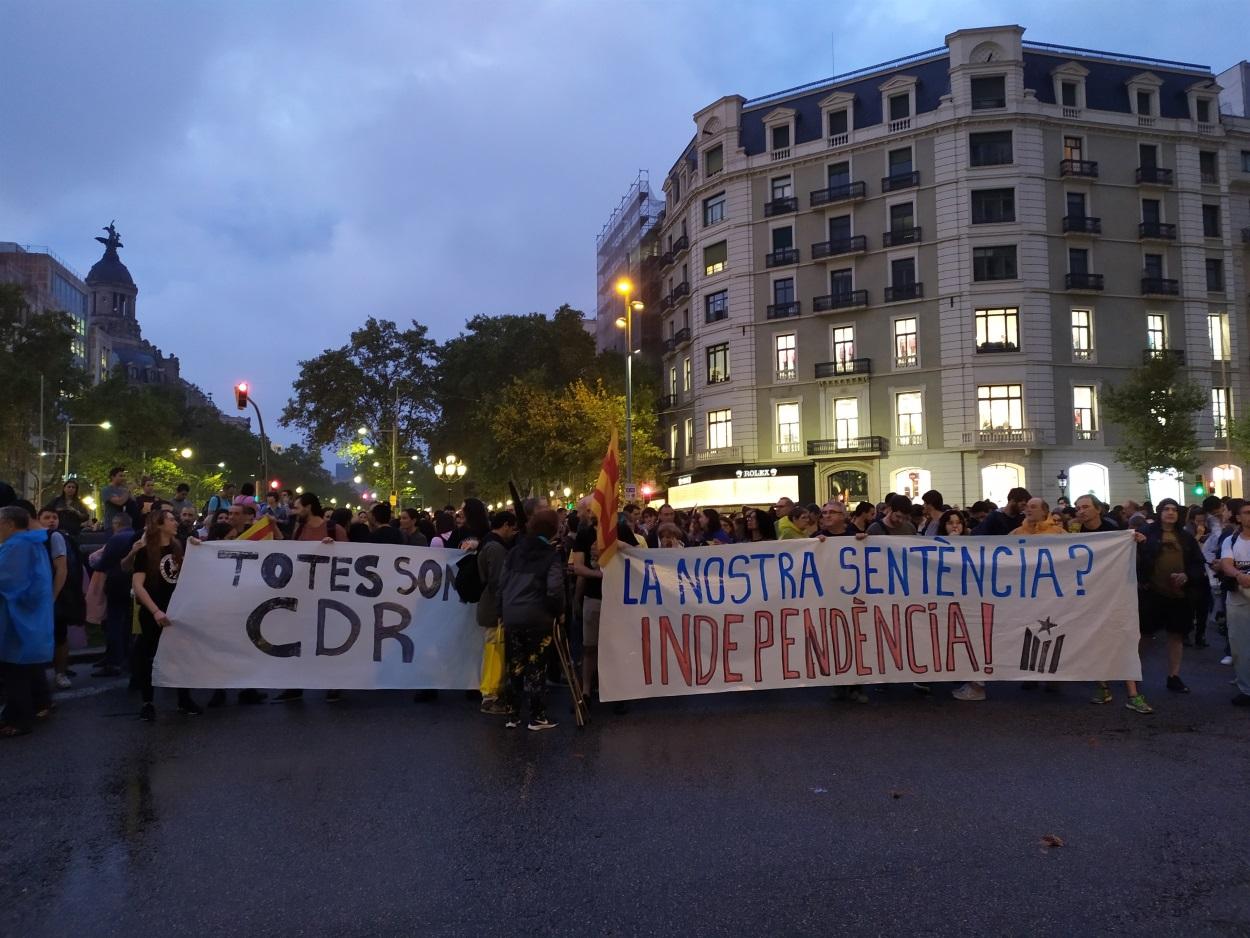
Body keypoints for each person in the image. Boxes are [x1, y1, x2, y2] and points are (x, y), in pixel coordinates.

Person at [497, 509, 564, 731]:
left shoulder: (515, 552)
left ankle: (512, 714)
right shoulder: (551, 555)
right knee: (536, 664)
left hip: (512, 614)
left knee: (514, 664)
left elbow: (503, 583)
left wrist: (501, 611)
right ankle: (537, 716)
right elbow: (554, 589)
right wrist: (558, 610)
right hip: (538, 615)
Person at [131, 508, 200, 720]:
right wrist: (155, 611)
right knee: (147, 656)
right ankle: (147, 702)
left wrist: (199, 548)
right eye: (171, 519)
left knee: (181, 656)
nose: (176, 522)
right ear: (159, 524)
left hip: (177, 611)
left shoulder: (179, 546)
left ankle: (184, 698)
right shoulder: (145, 552)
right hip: (154, 612)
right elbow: (138, 585)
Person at [1137, 498, 1204, 695]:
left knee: (1176, 635)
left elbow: (1197, 563)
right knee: (1145, 635)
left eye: (1174, 509)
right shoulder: (1147, 534)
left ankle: (1173, 676)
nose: (1170, 513)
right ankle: (1133, 672)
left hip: (1179, 594)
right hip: (1153, 592)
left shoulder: (1185, 537)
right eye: (1166, 509)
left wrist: (1187, 576)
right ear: (1159, 512)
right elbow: (1138, 561)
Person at [0, 505, 55, 737]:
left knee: (14, 672)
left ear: (10, 524)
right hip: (29, 615)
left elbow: (7, 578)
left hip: (17, 618)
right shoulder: (31, 542)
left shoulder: (18, 546)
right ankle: (20, 713)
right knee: (21, 671)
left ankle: (19, 719)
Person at [477, 510, 518, 715]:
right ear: (505, 525)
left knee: (493, 649)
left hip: (492, 605)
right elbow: (497, 581)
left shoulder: (488, 543)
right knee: (494, 651)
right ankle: (490, 696)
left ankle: (491, 692)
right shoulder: (496, 547)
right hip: (495, 607)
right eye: (512, 528)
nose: (513, 532)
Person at [37, 506, 83, 690]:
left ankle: (60, 672)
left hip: (57, 595)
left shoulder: (58, 538)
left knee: (60, 635)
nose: (51, 520)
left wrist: (53, 597)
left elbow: (63, 569)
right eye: (47, 517)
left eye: (54, 517)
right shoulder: (38, 539)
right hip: (45, 594)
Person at [91, 512, 138, 676]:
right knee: (127, 624)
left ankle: (113, 662)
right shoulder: (136, 536)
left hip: (116, 584)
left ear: (116, 524)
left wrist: (93, 561)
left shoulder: (116, 539)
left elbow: (103, 563)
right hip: (132, 585)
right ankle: (125, 658)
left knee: (113, 623)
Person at [1217, 500, 1250, 706]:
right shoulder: (1231, 540)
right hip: (1238, 601)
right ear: (1238, 517)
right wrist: (1239, 575)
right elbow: (1226, 564)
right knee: (1240, 646)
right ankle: (1246, 690)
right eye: (1247, 512)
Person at [571, 497, 603, 706]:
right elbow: (577, 567)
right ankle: (586, 691)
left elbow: (636, 555)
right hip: (594, 596)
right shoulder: (583, 534)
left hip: (618, 599)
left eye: (590, 510)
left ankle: (613, 689)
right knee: (589, 646)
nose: (588, 515)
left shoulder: (621, 532)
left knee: (614, 646)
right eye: (587, 511)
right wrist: (599, 575)